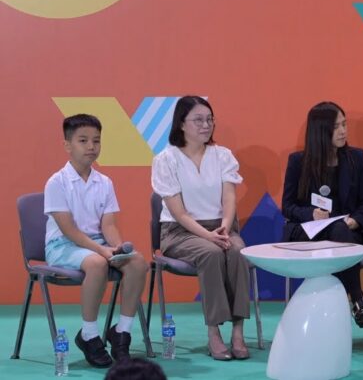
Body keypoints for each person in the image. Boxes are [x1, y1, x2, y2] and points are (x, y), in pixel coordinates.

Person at [151, 96, 251, 361]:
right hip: (180, 231)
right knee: (211, 252)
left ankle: (238, 332)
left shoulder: (223, 155)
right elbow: (179, 213)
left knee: (238, 252)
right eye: (198, 120)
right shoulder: (166, 159)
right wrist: (209, 236)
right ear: (181, 124)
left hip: (220, 227)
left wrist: (224, 228)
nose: (206, 125)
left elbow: (229, 199)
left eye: (209, 119)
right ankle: (214, 332)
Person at [44, 114, 148, 367]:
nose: (91, 146)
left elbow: (108, 225)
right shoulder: (56, 182)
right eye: (83, 140)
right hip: (63, 246)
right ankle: (89, 335)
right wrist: (102, 251)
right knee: (97, 263)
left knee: (137, 262)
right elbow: (69, 230)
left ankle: (121, 332)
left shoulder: (105, 182)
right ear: (67, 145)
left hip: (98, 244)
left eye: (96, 140)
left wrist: (117, 249)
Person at [282, 101, 363, 327]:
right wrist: (311, 214)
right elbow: (288, 206)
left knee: (339, 229)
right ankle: (357, 299)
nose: (343, 131)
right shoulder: (298, 162)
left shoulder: (357, 158)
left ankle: (332, 314)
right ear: (320, 131)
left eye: (344, 124)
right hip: (309, 234)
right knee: (336, 231)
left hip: (348, 232)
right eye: (336, 126)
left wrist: (354, 221)